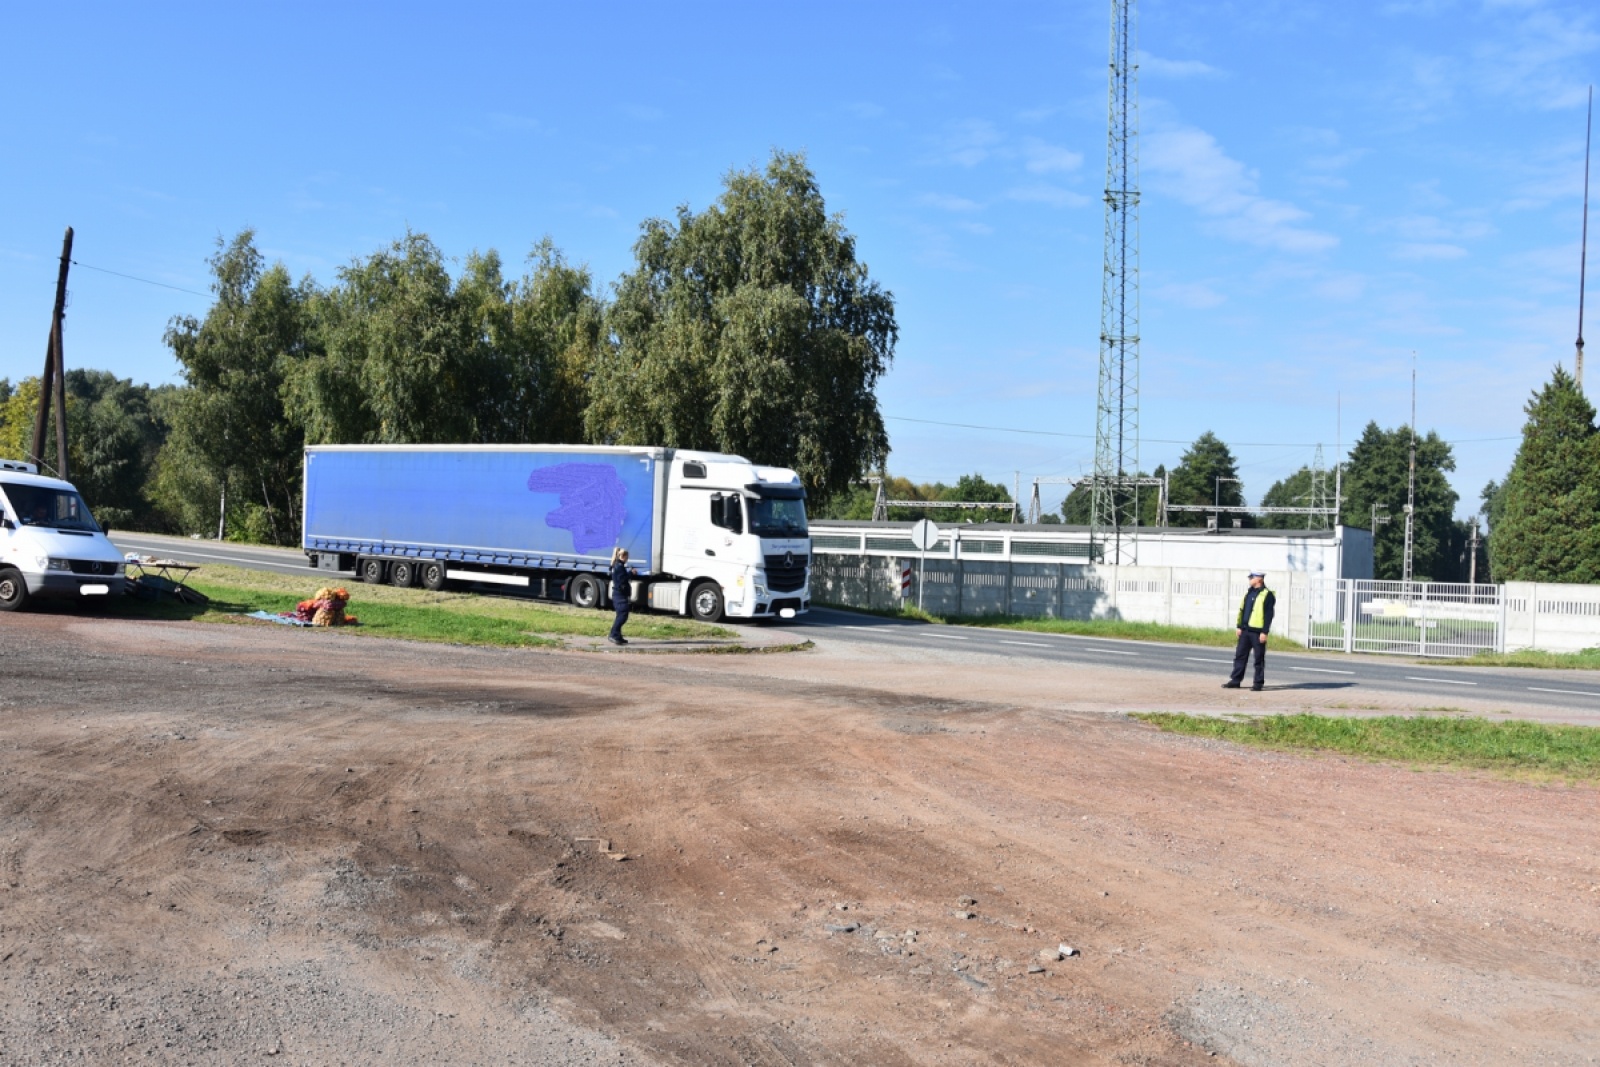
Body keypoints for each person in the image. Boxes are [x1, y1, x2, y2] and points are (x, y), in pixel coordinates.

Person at [1222, 570, 1275, 691]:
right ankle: (1236, 680)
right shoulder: (1249, 593)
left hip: (1258, 632)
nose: (1249, 579)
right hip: (1245, 630)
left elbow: (1268, 615)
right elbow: (1243, 611)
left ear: (1259, 579)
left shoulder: (1267, 595)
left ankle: (1258, 683)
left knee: (1258, 659)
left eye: (1252, 577)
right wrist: (1239, 626)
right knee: (1240, 656)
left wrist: (1264, 632)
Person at [607, 548, 633, 646]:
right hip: (619, 594)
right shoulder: (619, 566)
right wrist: (631, 573)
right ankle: (613, 634)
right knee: (623, 614)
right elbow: (622, 579)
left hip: (618, 594)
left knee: (620, 615)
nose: (627, 559)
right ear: (624, 556)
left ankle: (618, 635)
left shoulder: (616, 565)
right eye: (627, 557)